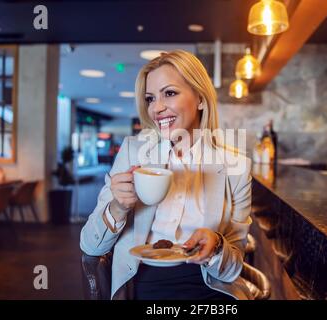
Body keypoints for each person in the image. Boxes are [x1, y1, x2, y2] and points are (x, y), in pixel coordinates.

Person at [80, 50, 253, 300]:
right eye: (150, 98)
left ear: (201, 99)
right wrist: (118, 207)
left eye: (169, 93)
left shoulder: (236, 167)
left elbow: (233, 269)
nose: (156, 108)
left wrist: (216, 245)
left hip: (211, 289)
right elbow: (90, 246)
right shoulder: (133, 153)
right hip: (144, 285)